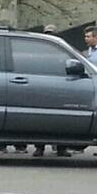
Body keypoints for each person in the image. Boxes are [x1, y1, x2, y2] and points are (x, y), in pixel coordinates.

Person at [33, 24, 71, 157]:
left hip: (59, 87)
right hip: (42, 88)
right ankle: (39, 147)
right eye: (47, 33)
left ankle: (61, 148)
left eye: (51, 34)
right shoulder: (38, 52)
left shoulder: (60, 49)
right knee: (41, 121)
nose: (49, 36)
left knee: (61, 120)